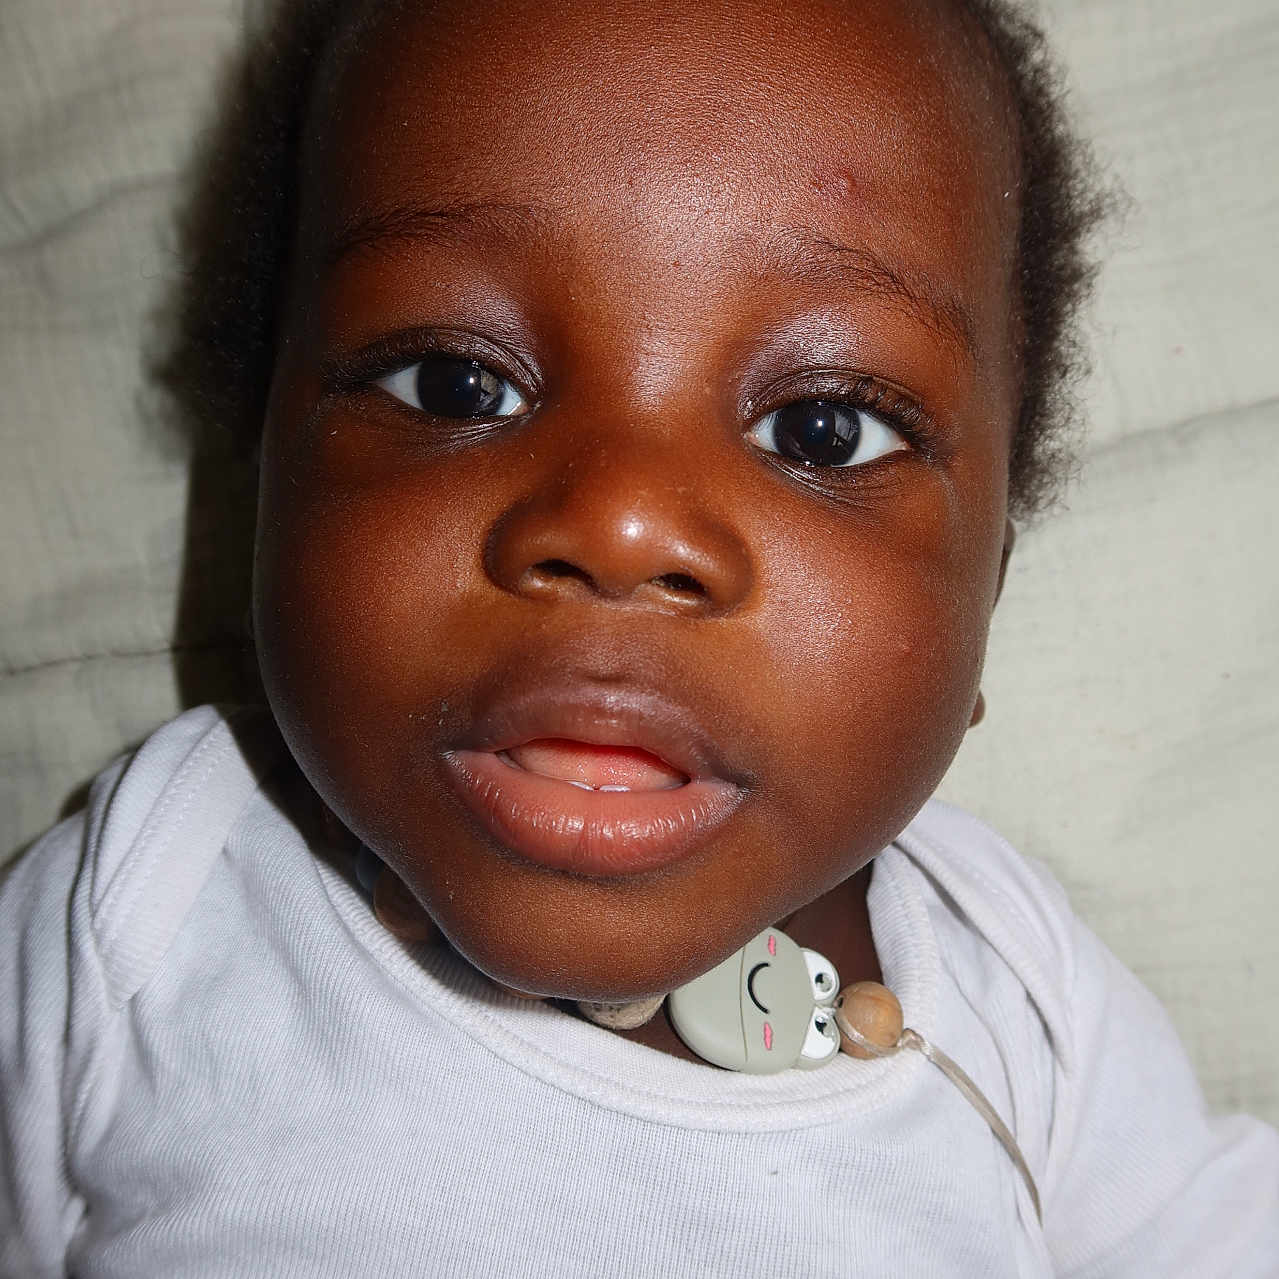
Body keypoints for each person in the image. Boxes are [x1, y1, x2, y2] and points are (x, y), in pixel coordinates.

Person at [2, 0, 1276, 1272]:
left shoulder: (1019, 999)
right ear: (267, 467)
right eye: (451, 382)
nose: (618, 523)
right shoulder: (150, 903)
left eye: (823, 430)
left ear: (987, 588)